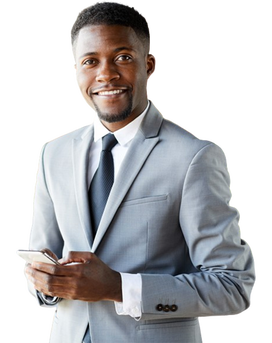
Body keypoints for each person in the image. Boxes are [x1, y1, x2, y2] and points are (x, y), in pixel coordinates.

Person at [24, 1, 258, 342]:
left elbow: (233, 288)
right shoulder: (52, 152)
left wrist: (119, 287)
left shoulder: (195, 156)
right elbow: (41, 261)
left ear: (150, 65)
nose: (106, 74)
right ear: (75, 71)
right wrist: (44, 284)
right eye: (90, 61)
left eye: (122, 57)